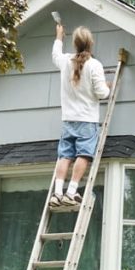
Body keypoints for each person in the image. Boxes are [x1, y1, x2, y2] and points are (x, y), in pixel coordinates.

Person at [50, 23, 110, 207]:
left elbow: (55, 56)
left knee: (65, 156)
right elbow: (102, 94)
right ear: (90, 44)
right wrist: (108, 87)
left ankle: (57, 193)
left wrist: (59, 36)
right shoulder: (94, 65)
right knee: (83, 155)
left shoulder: (66, 61)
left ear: (75, 44)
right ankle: (71, 191)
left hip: (68, 119)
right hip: (87, 120)